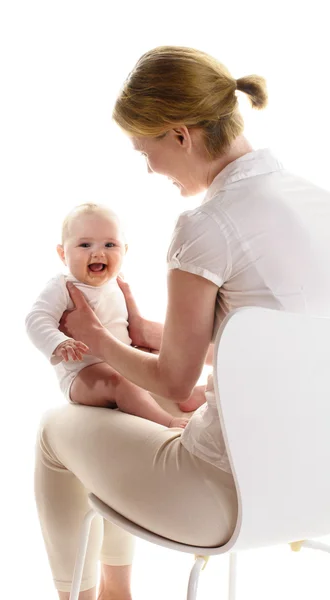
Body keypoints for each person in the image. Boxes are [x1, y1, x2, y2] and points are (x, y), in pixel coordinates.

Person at [34, 46, 330, 600]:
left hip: (226, 499)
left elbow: (173, 381)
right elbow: (289, 343)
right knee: (153, 413)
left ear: (180, 134)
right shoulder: (317, 202)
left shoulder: (206, 224)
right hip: (317, 491)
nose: (149, 168)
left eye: (145, 151)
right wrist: (152, 334)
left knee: (55, 429)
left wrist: (96, 337)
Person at [26, 202, 204, 427]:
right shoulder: (62, 286)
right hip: (83, 372)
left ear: (125, 251)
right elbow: (36, 319)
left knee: (164, 356)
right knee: (120, 382)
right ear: (63, 254)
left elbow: (131, 328)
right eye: (84, 244)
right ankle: (168, 422)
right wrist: (59, 343)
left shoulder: (117, 282)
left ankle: (187, 395)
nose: (98, 252)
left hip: (122, 357)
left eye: (110, 244)